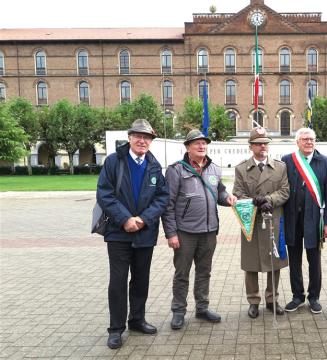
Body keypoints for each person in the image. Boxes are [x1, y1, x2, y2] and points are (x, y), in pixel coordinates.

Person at [96, 119, 169, 349]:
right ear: (129, 138)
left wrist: (143, 220)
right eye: (138, 136)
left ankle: (137, 320)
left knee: (141, 280)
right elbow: (104, 194)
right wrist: (125, 219)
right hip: (118, 233)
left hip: (144, 233)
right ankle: (116, 329)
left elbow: (162, 198)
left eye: (146, 137)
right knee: (118, 282)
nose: (142, 140)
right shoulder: (113, 161)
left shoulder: (154, 165)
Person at [162, 129, 236, 330]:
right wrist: (171, 233)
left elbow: (219, 192)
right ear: (187, 147)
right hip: (185, 232)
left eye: (204, 143)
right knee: (182, 273)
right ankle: (178, 312)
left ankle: (202, 308)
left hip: (209, 231)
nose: (202, 146)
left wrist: (227, 198)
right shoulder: (176, 170)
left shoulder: (214, 169)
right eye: (197, 144)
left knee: (204, 272)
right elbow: (167, 204)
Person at [232, 127, 290, 318]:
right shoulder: (241, 169)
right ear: (251, 146)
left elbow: (284, 191)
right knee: (251, 264)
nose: (262, 146)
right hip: (252, 221)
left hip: (274, 220)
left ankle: (272, 299)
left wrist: (269, 200)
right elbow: (238, 193)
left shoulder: (280, 167)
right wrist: (253, 201)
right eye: (258, 144)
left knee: (275, 261)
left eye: (265, 143)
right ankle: (253, 300)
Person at [282, 127, 327, 314]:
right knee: (294, 260)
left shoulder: (325, 162)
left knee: (315, 260)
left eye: (312, 139)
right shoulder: (287, 160)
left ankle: (314, 297)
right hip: (292, 219)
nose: (309, 142)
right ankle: (297, 296)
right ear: (297, 142)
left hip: (315, 220)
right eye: (305, 139)